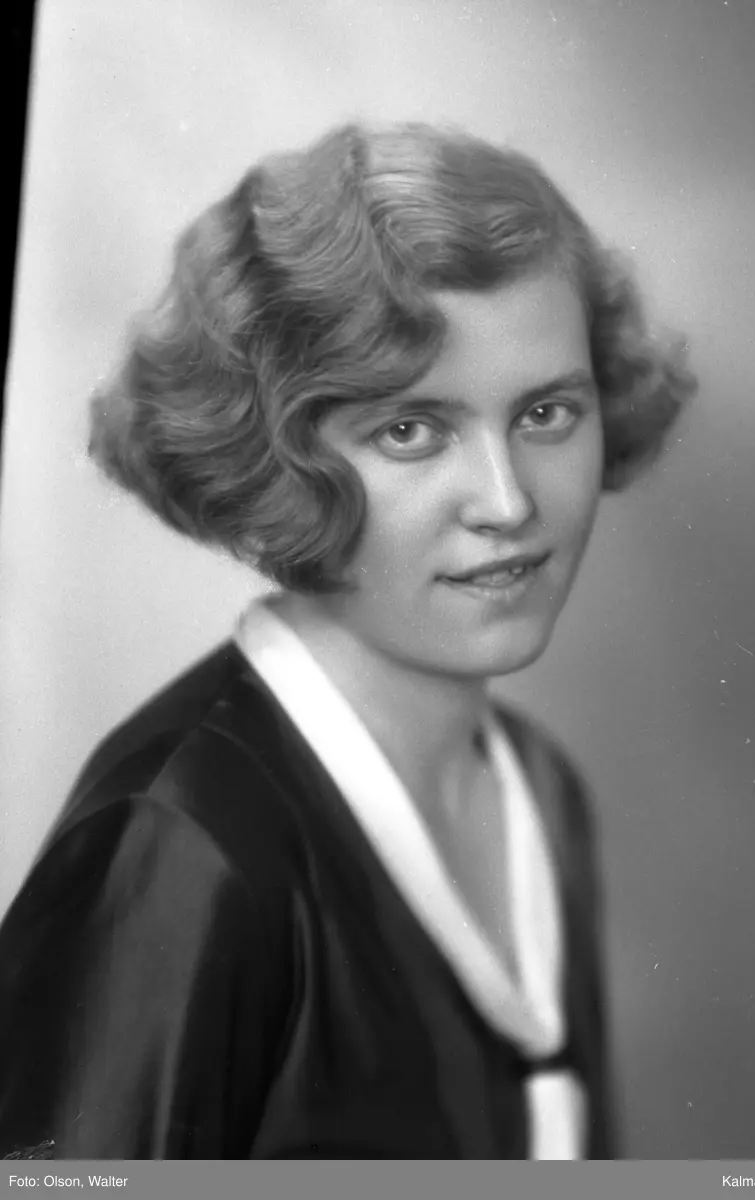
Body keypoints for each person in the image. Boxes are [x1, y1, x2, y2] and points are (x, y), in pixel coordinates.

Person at [0, 121, 695, 1160]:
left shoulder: (544, 796)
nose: (507, 502)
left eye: (547, 413)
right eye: (410, 431)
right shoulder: (185, 842)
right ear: (276, 455)